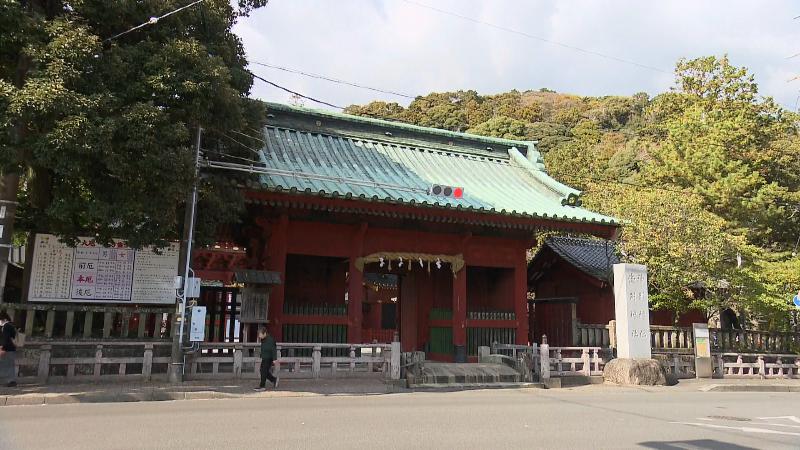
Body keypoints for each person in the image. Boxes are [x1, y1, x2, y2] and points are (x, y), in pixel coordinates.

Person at [254, 327, 279, 391]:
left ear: (264, 333)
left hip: (269, 358)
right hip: (264, 357)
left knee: (263, 371)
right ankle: (273, 379)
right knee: (263, 371)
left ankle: (262, 386)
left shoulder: (270, 340)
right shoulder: (263, 339)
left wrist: (274, 359)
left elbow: (274, 349)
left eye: (260, 334)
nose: (259, 336)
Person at [0, 312, 18, 388]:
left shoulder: (6, 326)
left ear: (4, 319)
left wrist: (1, 348)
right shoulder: (11, 325)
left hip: (7, 349)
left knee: (7, 365)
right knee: (9, 365)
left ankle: (11, 381)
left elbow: (5, 338)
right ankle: (11, 381)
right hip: (11, 349)